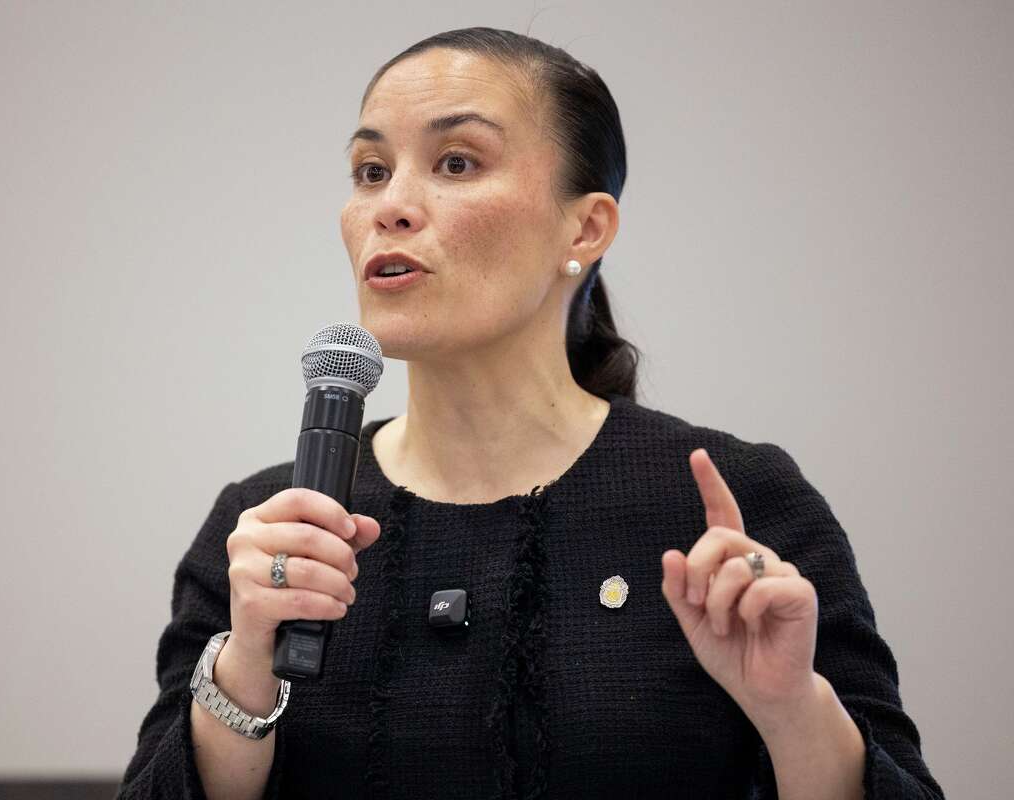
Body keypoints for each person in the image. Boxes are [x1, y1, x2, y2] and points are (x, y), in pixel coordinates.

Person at [116, 27, 943, 800]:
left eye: (458, 163)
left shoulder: (734, 504)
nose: (390, 207)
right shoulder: (266, 531)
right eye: (371, 171)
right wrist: (241, 676)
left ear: (584, 228)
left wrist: (791, 707)